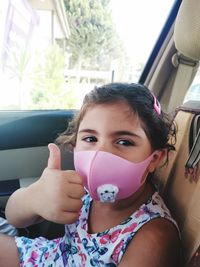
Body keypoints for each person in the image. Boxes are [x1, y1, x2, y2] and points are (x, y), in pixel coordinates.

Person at [0, 83, 181, 266]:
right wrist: (35, 198)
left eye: (124, 142)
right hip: (50, 255)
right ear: (75, 144)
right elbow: (14, 218)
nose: (101, 153)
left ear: (154, 159)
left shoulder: (153, 236)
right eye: (90, 139)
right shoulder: (78, 188)